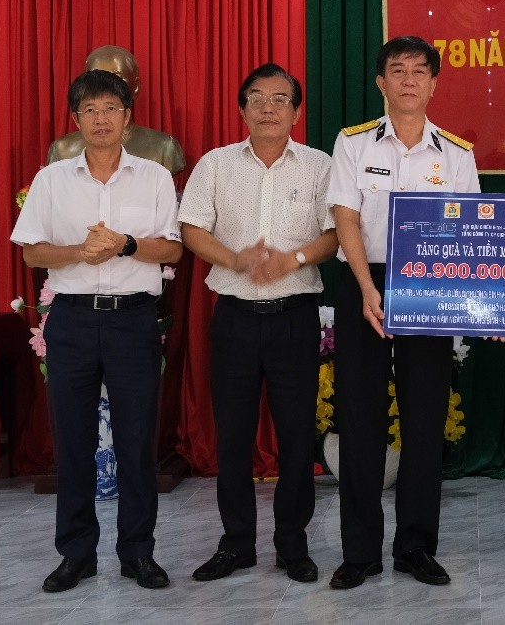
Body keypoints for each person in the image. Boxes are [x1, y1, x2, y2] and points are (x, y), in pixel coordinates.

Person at [12, 69, 184, 593]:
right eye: (90, 110)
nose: (101, 119)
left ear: (127, 117)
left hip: (133, 319)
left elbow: (173, 248)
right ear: (76, 120)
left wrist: (124, 244)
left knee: (137, 440)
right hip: (72, 320)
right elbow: (32, 251)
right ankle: (76, 554)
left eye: (111, 108)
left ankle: (138, 552)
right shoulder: (51, 179)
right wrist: (78, 253)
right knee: (72, 440)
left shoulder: (154, 177)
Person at [326, 36, 480, 590]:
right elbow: (345, 216)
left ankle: (416, 546)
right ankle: (360, 551)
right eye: (398, 70)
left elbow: (470, 231)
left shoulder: (457, 153)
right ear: (381, 82)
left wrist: (476, 304)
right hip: (365, 282)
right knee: (360, 420)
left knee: (424, 419)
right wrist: (368, 288)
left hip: (431, 287)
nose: (409, 80)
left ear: (434, 83)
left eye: (420, 71)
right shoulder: (353, 143)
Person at [177, 64, 337, 584]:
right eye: (257, 98)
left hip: (295, 318)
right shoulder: (216, 164)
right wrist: (235, 259)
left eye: (280, 99)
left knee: (296, 437)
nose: (268, 108)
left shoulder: (319, 165)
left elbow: (336, 233)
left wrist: (291, 260)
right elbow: (191, 227)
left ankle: (292, 544)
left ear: (297, 112)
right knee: (232, 438)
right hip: (235, 320)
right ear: (242, 108)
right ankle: (236, 544)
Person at [48, 45, 187, 175]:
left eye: (116, 78)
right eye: (97, 78)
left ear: (136, 87)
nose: (105, 88)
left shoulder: (164, 148)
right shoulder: (62, 150)